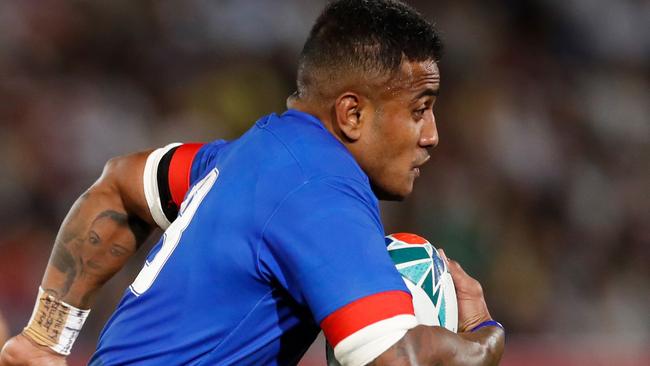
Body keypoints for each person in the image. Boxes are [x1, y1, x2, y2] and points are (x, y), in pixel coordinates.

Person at [0, 1, 504, 365]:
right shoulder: (321, 192)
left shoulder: (243, 157)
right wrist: (484, 334)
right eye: (419, 111)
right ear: (352, 113)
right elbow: (396, 362)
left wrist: (45, 337)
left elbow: (120, 184)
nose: (433, 136)